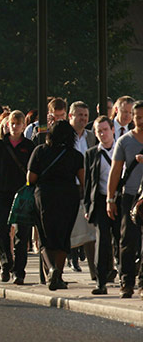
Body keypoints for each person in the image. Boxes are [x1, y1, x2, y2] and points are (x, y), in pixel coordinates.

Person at [28, 120, 84, 291]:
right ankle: (57, 275)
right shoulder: (75, 155)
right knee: (63, 237)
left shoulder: (40, 151)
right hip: (68, 197)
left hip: (44, 196)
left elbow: (30, 178)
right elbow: (83, 181)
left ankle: (51, 270)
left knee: (45, 237)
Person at [0, 110, 35, 283]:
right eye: (12, 124)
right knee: (1, 229)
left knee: (22, 233)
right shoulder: (0, 145)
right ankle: (5, 263)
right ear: (7, 125)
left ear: (24, 126)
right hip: (3, 192)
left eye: (18, 124)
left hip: (22, 193)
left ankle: (20, 270)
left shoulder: (29, 146)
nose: (15, 127)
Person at [106, 100, 143, 299]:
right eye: (138, 117)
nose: (141, 121)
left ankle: (142, 282)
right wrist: (110, 199)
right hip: (130, 196)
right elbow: (115, 171)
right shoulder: (125, 141)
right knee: (127, 240)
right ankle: (126, 282)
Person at [84, 116, 118, 295]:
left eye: (105, 130)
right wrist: (87, 207)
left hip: (120, 201)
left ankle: (125, 278)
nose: (103, 134)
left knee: (123, 240)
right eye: (99, 131)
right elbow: (88, 183)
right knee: (102, 241)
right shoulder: (91, 154)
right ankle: (101, 281)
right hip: (100, 202)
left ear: (113, 130)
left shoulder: (121, 150)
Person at [67, 101, 98, 275]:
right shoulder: (64, 137)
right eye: (80, 115)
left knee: (90, 231)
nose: (83, 119)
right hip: (68, 188)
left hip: (86, 189)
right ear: (71, 116)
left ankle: (95, 272)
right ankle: (56, 270)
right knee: (67, 230)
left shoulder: (90, 137)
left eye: (86, 115)